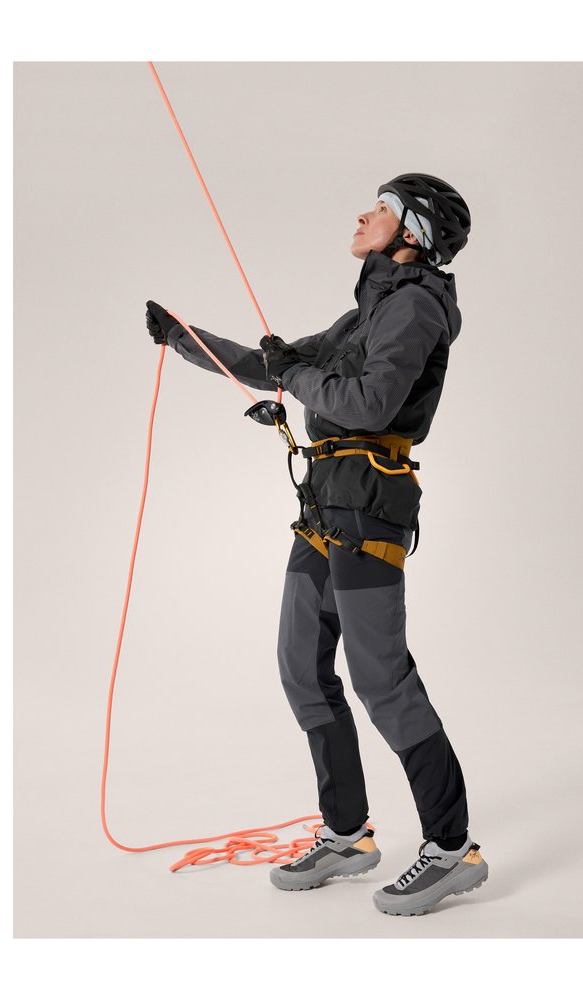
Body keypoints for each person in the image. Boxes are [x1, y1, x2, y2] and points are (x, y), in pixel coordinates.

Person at [145, 173, 488, 916]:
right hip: (325, 505)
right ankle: (347, 834)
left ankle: (452, 848)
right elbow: (273, 366)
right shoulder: (366, 312)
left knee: (381, 679)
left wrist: (299, 374)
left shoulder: (415, 307)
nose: (365, 214)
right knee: (302, 665)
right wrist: (182, 337)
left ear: (412, 234)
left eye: (383, 208)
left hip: (369, 509)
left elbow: (368, 404)